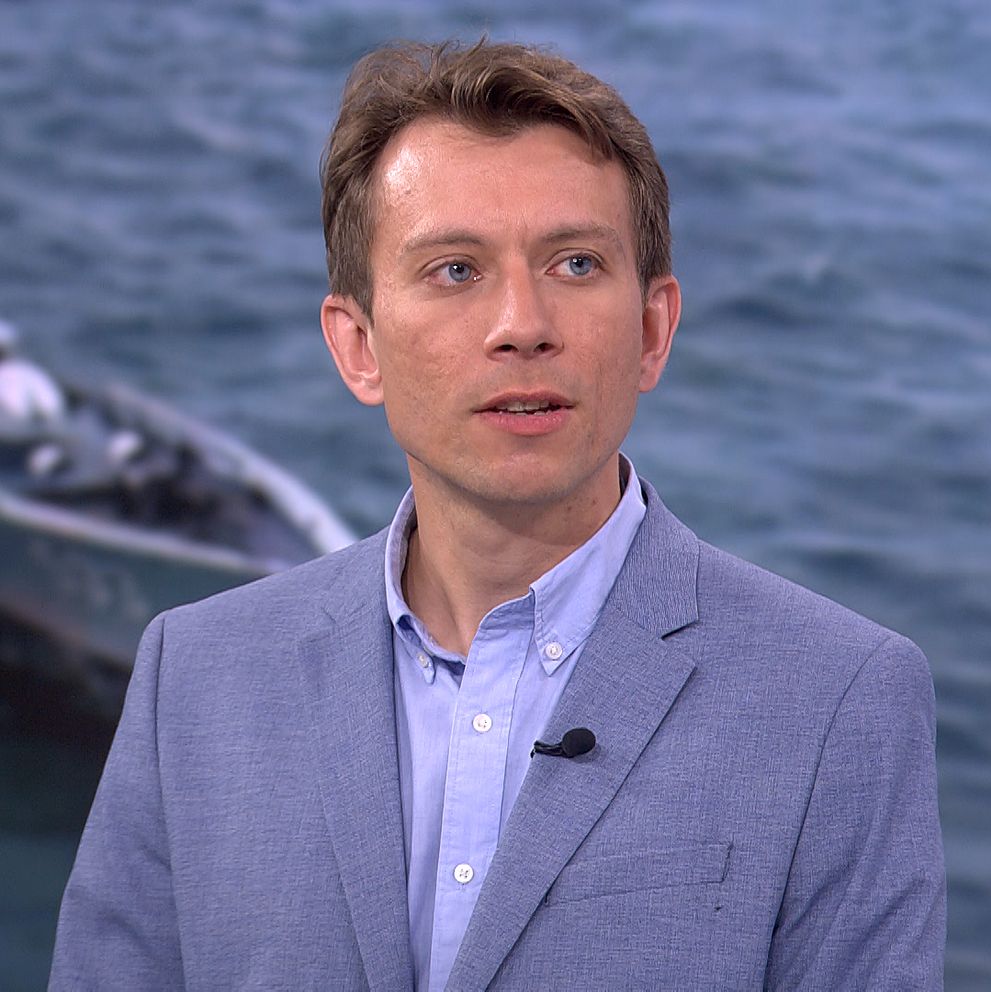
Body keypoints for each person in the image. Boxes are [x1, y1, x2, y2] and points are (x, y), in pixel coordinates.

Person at [49, 39, 945, 991]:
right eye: (455, 270)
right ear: (358, 347)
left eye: (575, 263)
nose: (523, 323)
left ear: (652, 330)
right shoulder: (194, 677)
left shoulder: (842, 700)